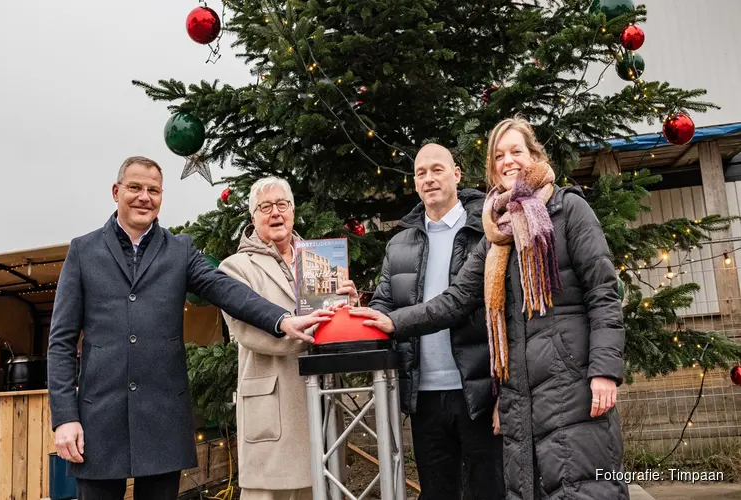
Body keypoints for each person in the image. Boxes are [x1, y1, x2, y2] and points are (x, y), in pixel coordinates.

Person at [351, 118, 628, 500]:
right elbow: (456, 301)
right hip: (520, 390)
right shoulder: (497, 232)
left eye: (516, 151)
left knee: (583, 487)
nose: (508, 161)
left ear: (534, 155)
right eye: (499, 156)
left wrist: (605, 371)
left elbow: (603, 293)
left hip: (572, 379)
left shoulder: (568, 209)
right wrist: (392, 321)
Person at [47, 157, 332, 500]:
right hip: (98, 421)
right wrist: (65, 417)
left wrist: (281, 320)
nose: (144, 197)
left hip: (162, 421)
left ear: (161, 196)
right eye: (135, 187)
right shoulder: (83, 250)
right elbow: (61, 343)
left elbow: (227, 290)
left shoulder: (179, 250)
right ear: (116, 191)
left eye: (153, 190)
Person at [367, 143, 504, 500]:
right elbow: (383, 304)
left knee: (490, 490)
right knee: (437, 492)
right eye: (421, 173)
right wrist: (357, 308)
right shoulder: (398, 245)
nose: (429, 179)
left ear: (457, 175)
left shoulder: (487, 231)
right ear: (415, 184)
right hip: (424, 395)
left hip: (478, 389)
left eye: (437, 169)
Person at [218, 177, 359, 500]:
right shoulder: (235, 268)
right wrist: (312, 328)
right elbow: (249, 331)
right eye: (265, 207)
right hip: (274, 410)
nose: (275, 213)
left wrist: (348, 307)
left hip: (320, 405)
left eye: (282, 205)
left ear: (293, 212)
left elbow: (339, 331)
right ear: (253, 217)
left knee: (322, 489)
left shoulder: (319, 261)